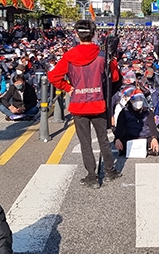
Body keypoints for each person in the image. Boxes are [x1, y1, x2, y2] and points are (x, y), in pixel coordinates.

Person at [48, 19, 121, 189]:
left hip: (78, 105)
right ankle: (110, 171)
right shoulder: (103, 56)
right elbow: (115, 77)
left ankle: (92, 176)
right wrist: (113, 61)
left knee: (85, 142)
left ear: (76, 34)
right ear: (94, 34)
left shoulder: (69, 56)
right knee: (103, 139)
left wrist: (68, 88)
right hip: (98, 103)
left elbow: (53, 77)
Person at [114, 90, 159, 156]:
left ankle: (148, 149)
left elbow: (152, 126)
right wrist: (117, 138)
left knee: (155, 143)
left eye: (140, 100)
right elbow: (119, 126)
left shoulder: (148, 112)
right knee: (121, 142)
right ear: (131, 101)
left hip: (145, 137)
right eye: (136, 100)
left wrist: (154, 138)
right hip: (130, 137)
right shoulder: (124, 112)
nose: (138, 102)